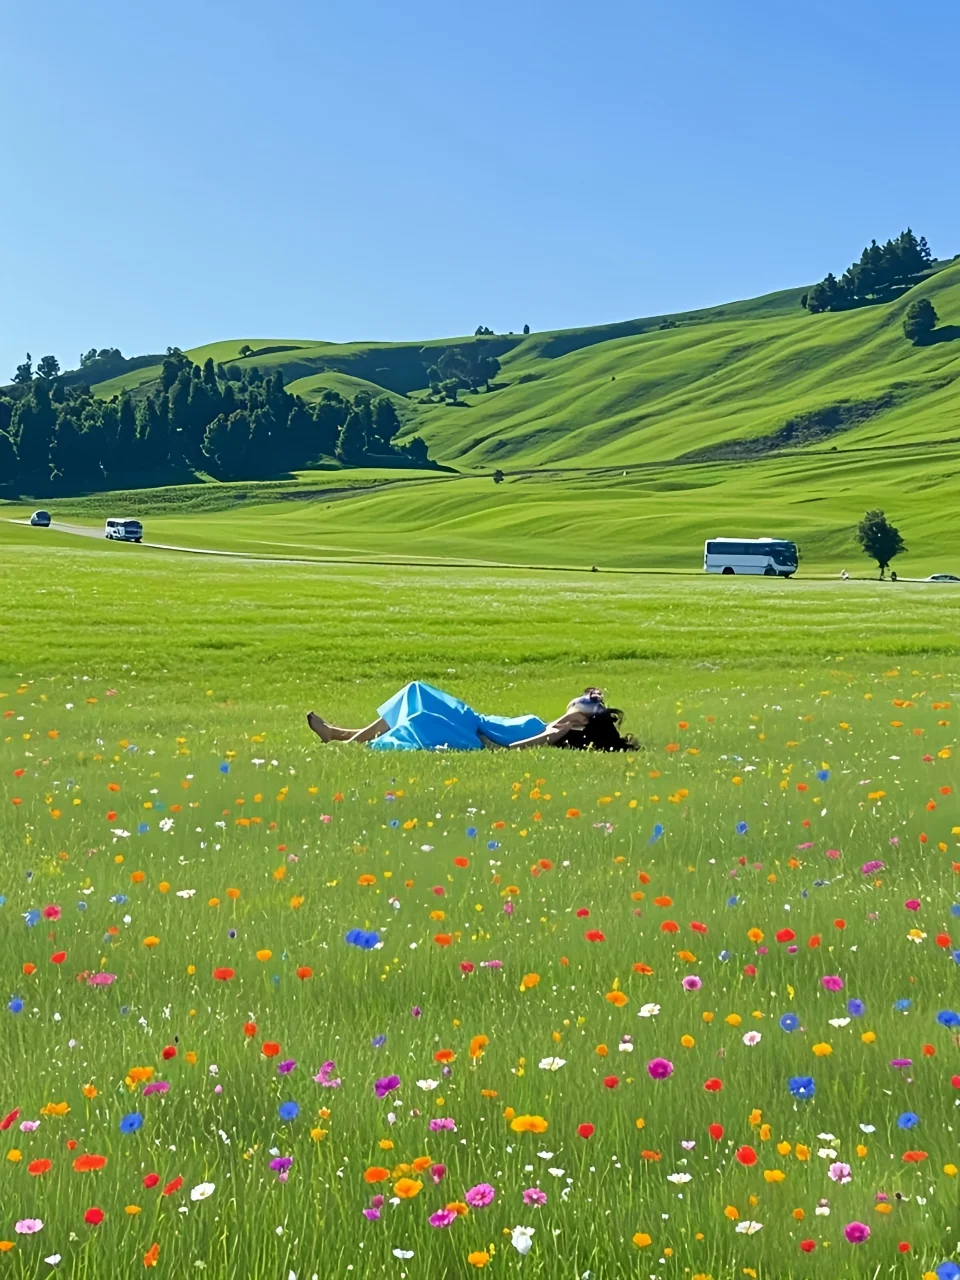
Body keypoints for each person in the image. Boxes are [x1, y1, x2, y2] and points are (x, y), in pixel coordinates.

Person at [306, 682, 636, 752]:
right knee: (414, 691)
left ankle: (340, 737)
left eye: (583, 703)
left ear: (582, 721)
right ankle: (339, 735)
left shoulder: (549, 732)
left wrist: (552, 731)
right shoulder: (550, 724)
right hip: (474, 719)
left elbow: (510, 750)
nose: (577, 699)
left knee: (420, 717)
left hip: (476, 736)